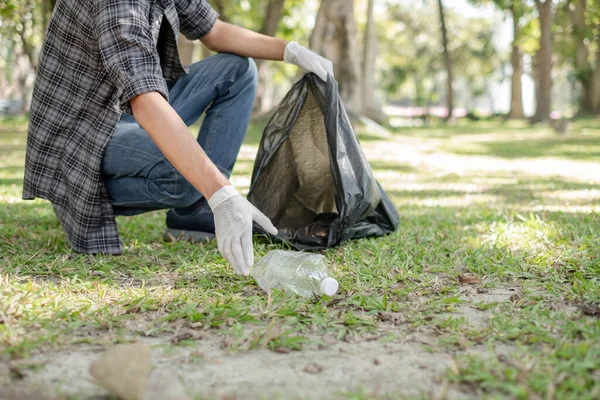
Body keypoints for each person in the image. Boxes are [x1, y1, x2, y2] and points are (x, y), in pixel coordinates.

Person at [22, 0, 333, 276]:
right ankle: (205, 197)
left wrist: (289, 50)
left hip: (122, 108)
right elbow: (143, 97)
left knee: (237, 69)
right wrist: (220, 191)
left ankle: (196, 211)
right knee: (186, 175)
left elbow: (213, 30)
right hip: (83, 132)